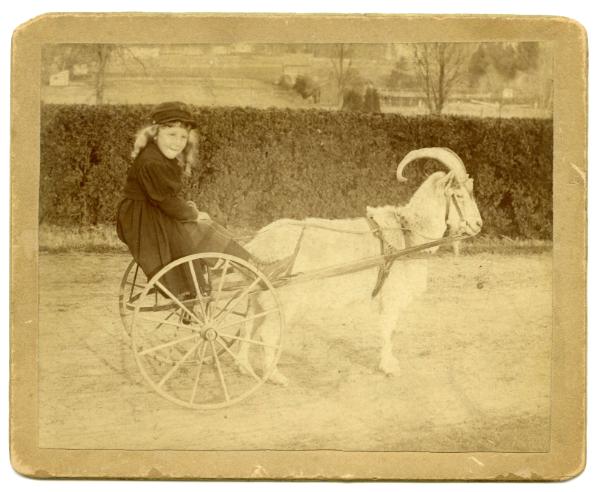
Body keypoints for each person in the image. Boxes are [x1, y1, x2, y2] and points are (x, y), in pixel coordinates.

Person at [116, 101, 292, 299]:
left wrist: (190, 211)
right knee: (200, 226)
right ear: (155, 134)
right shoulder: (152, 162)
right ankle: (251, 268)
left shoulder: (156, 157)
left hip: (149, 211)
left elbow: (164, 197)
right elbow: (166, 201)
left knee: (204, 224)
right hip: (144, 220)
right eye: (171, 134)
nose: (177, 142)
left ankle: (241, 265)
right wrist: (192, 213)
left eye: (183, 137)